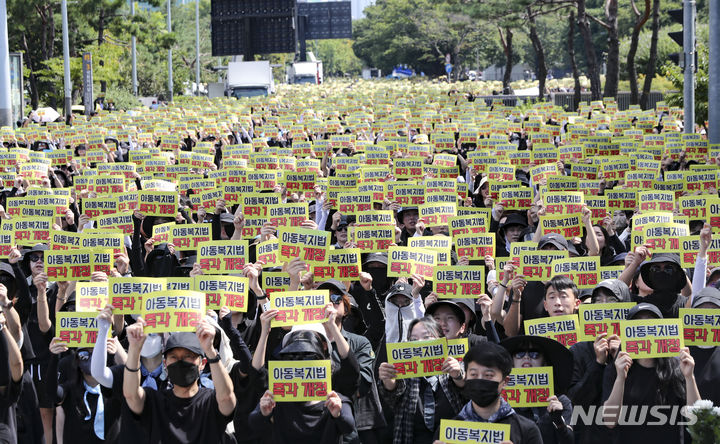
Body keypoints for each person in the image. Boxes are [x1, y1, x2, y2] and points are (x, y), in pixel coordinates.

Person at [123, 318, 236, 442]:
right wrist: (134, 349)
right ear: (165, 364)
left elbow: (227, 398)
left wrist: (210, 351)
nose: (180, 361)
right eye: (174, 357)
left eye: (188, 356)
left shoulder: (211, 402)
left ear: (202, 363)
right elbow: (131, 395)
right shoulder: (155, 402)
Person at [601, 303, 700, 443]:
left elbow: (697, 419)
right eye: (638, 324)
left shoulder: (676, 367)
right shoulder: (615, 369)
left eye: (650, 322)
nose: (646, 329)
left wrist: (690, 377)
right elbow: (610, 421)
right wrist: (620, 378)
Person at [249, 325, 355, 444]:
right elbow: (254, 423)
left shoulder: (334, 399)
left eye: (309, 356)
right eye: (293, 356)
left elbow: (348, 426)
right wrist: (263, 412)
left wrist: (338, 414)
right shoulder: (276, 398)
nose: (301, 362)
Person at [378, 316, 465, 444]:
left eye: (426, 337)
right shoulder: (404, 374)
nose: (419, 343)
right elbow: (392, 394)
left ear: (442, 341)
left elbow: (469, 390)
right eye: (413, 339)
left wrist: (457, 375)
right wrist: (388, 381)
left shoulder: (455, 367)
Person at [436, 342, 542, 444]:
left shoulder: (526, 430)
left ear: (505, 381)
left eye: (488, 375)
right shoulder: (447, 432)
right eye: (473, 374)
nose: (480, 380)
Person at [568, 279, 629, 444]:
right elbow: (576, 400)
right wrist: (598, 363)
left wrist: (619, 355)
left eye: (611, 301)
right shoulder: (578, 350)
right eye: (597, 301)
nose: (603, 306)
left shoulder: (637, 350)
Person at [501, 335, 574, 444]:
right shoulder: (500, 402)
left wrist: (559, 423)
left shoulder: (560, 402)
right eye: (519, 353)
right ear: (512, 363)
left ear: (544, 363)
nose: (526, 357)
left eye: (534, 354)